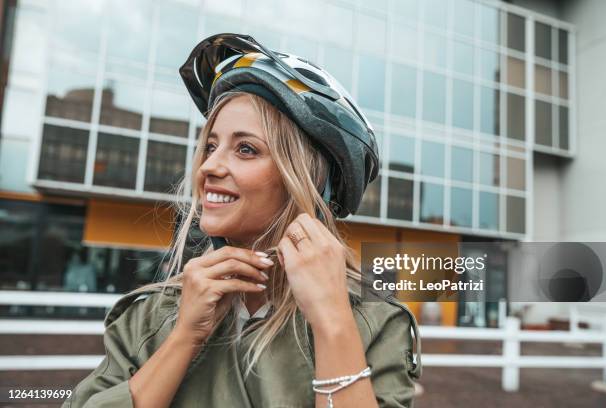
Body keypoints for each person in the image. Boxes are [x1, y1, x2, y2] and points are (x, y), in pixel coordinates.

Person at [63, 33, 421, 408]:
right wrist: (184, 336)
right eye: (212, 146)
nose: (210, 166)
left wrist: (332, 321)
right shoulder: (149, 315)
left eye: (246, 149)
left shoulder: (375, 323)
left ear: (308, 181)